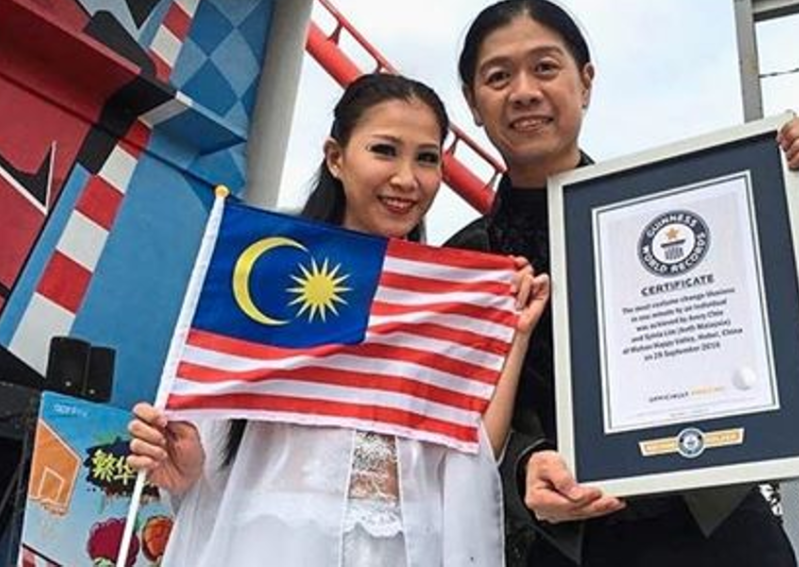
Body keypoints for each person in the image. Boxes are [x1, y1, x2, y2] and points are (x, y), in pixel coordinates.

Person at [445, 0, 799, 567]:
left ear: (585, 82)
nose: (524, 91)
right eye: (498, 76)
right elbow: (462, 416)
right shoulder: (463, 261)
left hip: (721, 530)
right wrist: (525, 465)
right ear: (473, 103)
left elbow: (759, 323)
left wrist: (785, 202)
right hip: (571, 543)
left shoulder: (671, 207)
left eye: (545, 67)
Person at [127, 73, 550, 566]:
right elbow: (214, 441)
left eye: (427, 158)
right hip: (271, 545)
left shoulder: (441, 300)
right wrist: (186, 464)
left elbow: (469, 449)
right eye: (385, 150)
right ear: (335, 157)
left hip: (397, 549)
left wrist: (515, 334)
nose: (406, 179)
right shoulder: (267, 272)